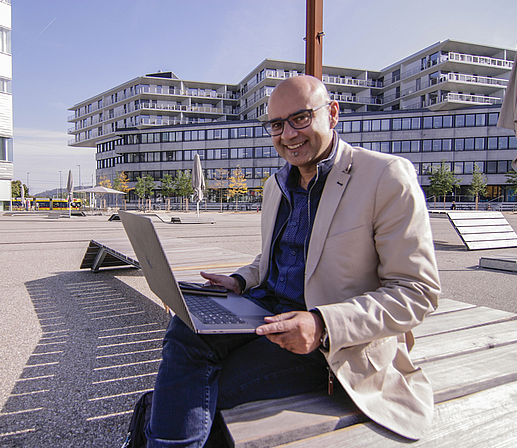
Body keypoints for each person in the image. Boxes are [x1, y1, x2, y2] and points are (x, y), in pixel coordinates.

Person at [145, 75, 441, 447]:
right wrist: (239, 281)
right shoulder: (277, 184)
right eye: (277, 124)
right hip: (265, 311)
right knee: (184, 331)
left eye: (301, 118)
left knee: (199, 394)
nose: (288, 134)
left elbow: (417, 292)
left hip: (328, 344)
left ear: (331, 114)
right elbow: (276, 257)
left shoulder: (385, 176)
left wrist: (323, 323)